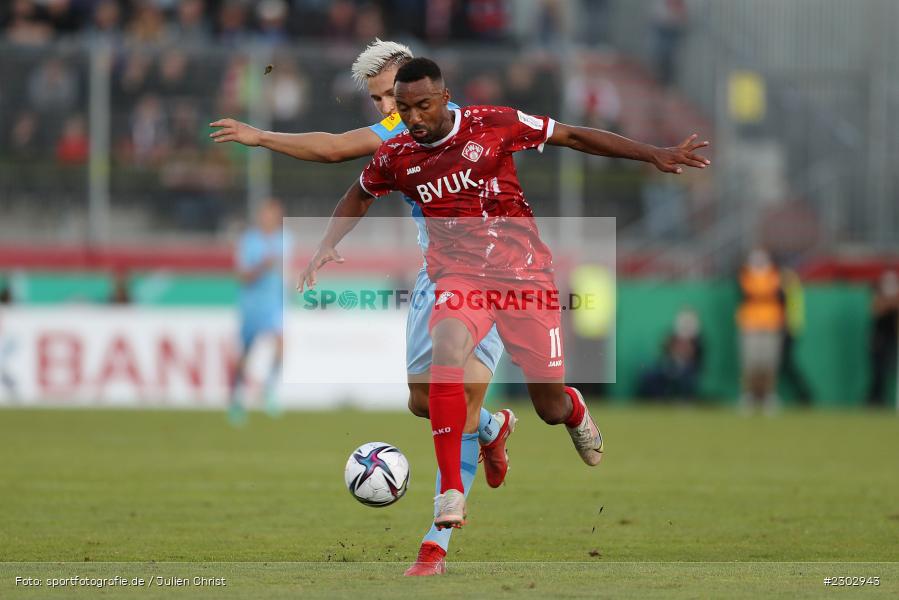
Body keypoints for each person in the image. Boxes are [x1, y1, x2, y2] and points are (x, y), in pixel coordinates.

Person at [299, 57, 710, 557]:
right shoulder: (397, 154)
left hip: (524, 277)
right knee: (446, 353)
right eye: (404, 109)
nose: (413, 118)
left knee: (549, 406)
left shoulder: (493, 124)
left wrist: (654, 154)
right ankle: (450, 492)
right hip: (460, 278)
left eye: (423, 106)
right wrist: (327, 243)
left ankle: (572, 409)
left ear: (444, 97)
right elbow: (359, 194)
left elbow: (572, 136)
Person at [210, 40, 515, 576]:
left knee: (460, 403)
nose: (387, 109)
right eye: (378, 100)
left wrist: (262, 137)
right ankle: (493, 428)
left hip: (489, 273)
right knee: (422, 402)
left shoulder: (456, 123)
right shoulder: (401, 131)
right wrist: (328, 240)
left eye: (390, 95)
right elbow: (349, 170)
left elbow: (334, 148)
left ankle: (435, 545)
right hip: (435, 277)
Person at [229, 198, 288, 424]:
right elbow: (242, 276)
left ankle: (269, 389)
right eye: (267, 214)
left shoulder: (285, 239)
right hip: (252, 305)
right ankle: (236, 399)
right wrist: (263, 266)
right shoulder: (249, 241)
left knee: (281, 345)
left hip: (274, 304)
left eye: (275, 214)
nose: (271, 218)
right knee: (246, 353)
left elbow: (286, 270)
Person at [736, 248, 784, 413]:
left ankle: (768, 396)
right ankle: (749, 395)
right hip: (750, 324)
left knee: (769, 363)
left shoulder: (775, 274)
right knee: (750, 363)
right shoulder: (745, 275)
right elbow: (746, 293)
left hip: (771, 324)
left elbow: (778, 295)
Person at [868, 270, 899, 407]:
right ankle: (875, 399)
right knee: (878, 371)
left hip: (892, 340)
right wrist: (890, 301)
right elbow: (876, 310)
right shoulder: (878, 297)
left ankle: (878, 398)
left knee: (888, 371)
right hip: (879, 339)